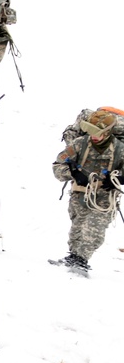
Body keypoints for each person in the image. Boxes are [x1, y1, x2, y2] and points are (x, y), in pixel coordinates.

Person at [52, 109, 124, 272]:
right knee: (77, 229)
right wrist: (73, 174)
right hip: (80, 195)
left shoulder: (119, 149)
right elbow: (58, 165)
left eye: (98, 133)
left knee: (94, 228)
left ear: (107, 133)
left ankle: (81, 260)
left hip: (105, 199)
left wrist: (118, 180)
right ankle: (74, 258)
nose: (94, 137)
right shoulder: (79, 144)